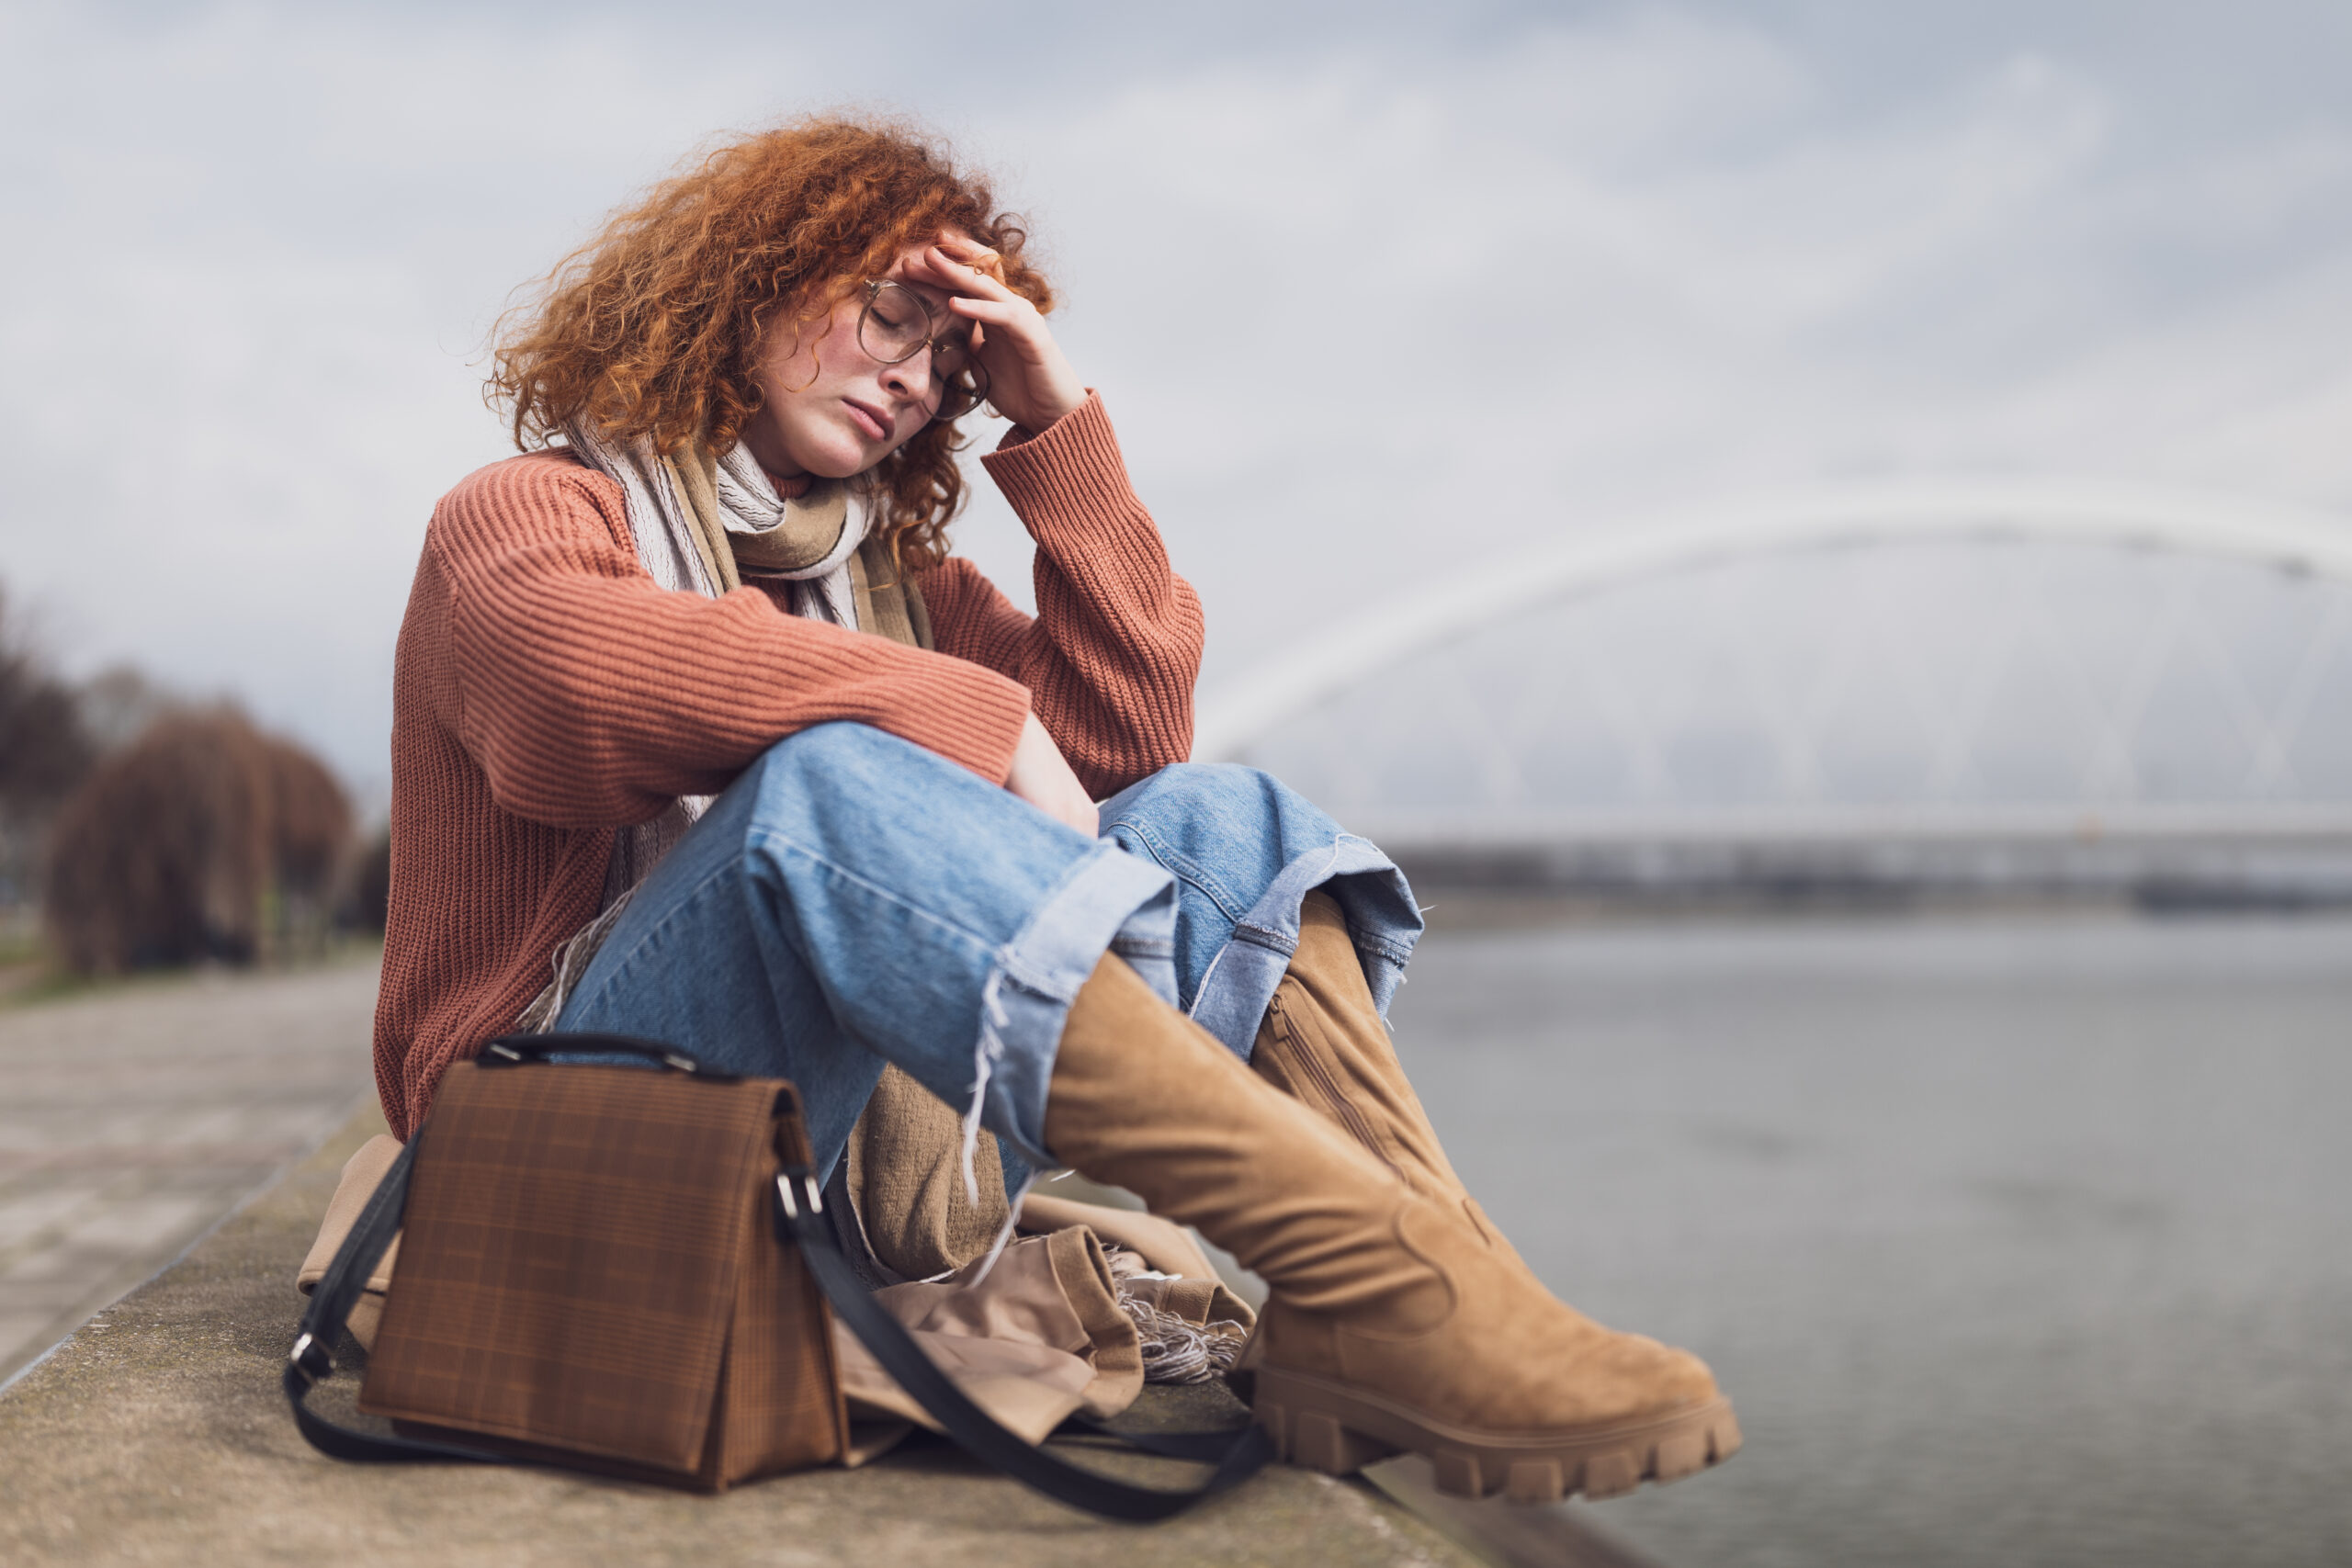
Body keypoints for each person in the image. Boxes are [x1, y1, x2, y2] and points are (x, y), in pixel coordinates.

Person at [377, 114, 1737, 1502]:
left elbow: (1131, 734)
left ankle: (1429, 1300)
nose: (912, 382)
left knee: (1221, 825)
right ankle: (1382, 1270)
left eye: (947, 370)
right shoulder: (530, 514)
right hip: (537, 1165)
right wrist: (977, 716)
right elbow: (567, 693)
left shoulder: (896, 590)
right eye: (889, 319)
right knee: (829, 787)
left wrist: (1056, 424)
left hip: (810, 1173)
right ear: (750, 283)